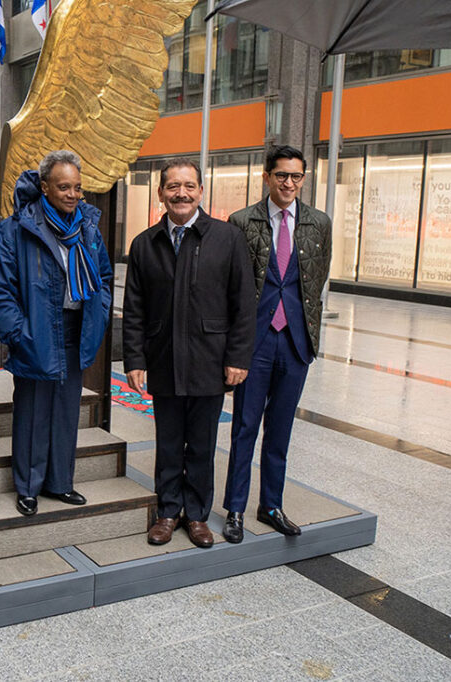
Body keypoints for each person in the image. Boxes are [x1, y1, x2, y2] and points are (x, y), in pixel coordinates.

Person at [122, 159, 255, 548]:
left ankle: (196, 515)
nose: (181, 193)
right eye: (173, 186)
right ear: (161, 193)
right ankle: (167, 511)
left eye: (189, 186)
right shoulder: (145, 244)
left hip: (210, 362)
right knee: (167, 441)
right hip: (163, 360)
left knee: (201, 443)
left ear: (200, 191)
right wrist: (134, 359)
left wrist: (238, 357)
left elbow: (243, 305)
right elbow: (134, 309)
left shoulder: (227, 239)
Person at [0, 150, 113, 517]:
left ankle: (60, 483)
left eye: (77, 188)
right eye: (63, 187)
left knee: (66, 412)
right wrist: (19, 334)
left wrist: (99, 316)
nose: (72, 195)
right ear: (44, 187)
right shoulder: (14, 229)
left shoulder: (86, 227)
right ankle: (28, 488)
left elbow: (103, 277)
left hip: (75, 330)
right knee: (33, 414)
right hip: (36, 332)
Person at [222, 145, 332, 544]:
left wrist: (304, 327)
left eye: (296, 176)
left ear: (303, 179)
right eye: (282, 175)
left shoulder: (318, 223)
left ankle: (270, 505)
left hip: (296, 342)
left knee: (280, 431)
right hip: (255, 340)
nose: (289, 183)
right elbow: (231, 286)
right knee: (245, 428)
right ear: (266, 177)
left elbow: (315, 280)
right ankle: (234, 507)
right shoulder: (240, 222)